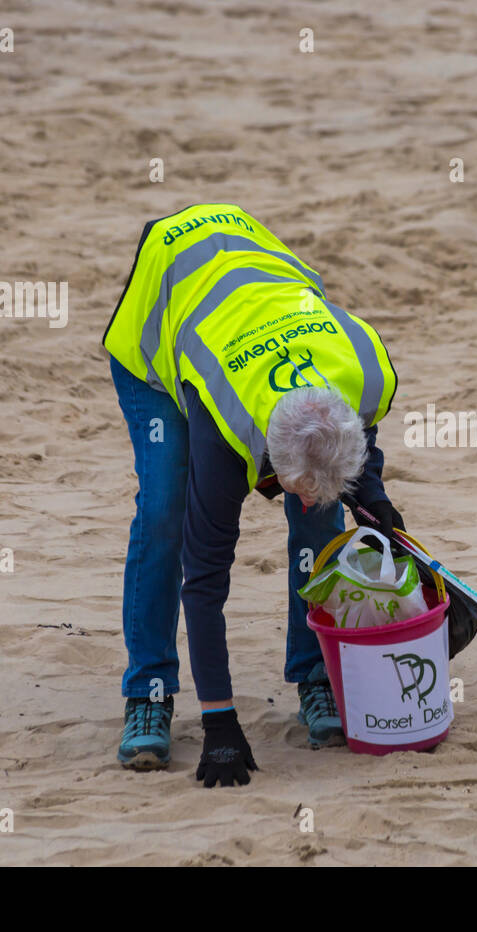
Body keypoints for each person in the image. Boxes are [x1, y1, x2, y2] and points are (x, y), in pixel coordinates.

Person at [104, 203, 404, 787]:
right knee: (167, 508)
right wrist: (220, 721)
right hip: (162, 318)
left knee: (320, 519)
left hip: (258, 291)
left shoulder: (366, 373)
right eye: (289, 485)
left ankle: (316, 677)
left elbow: (354, 454)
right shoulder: (228, 425)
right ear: (265, 460)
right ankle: (151, 692)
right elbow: (207, 576)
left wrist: (377, 503)